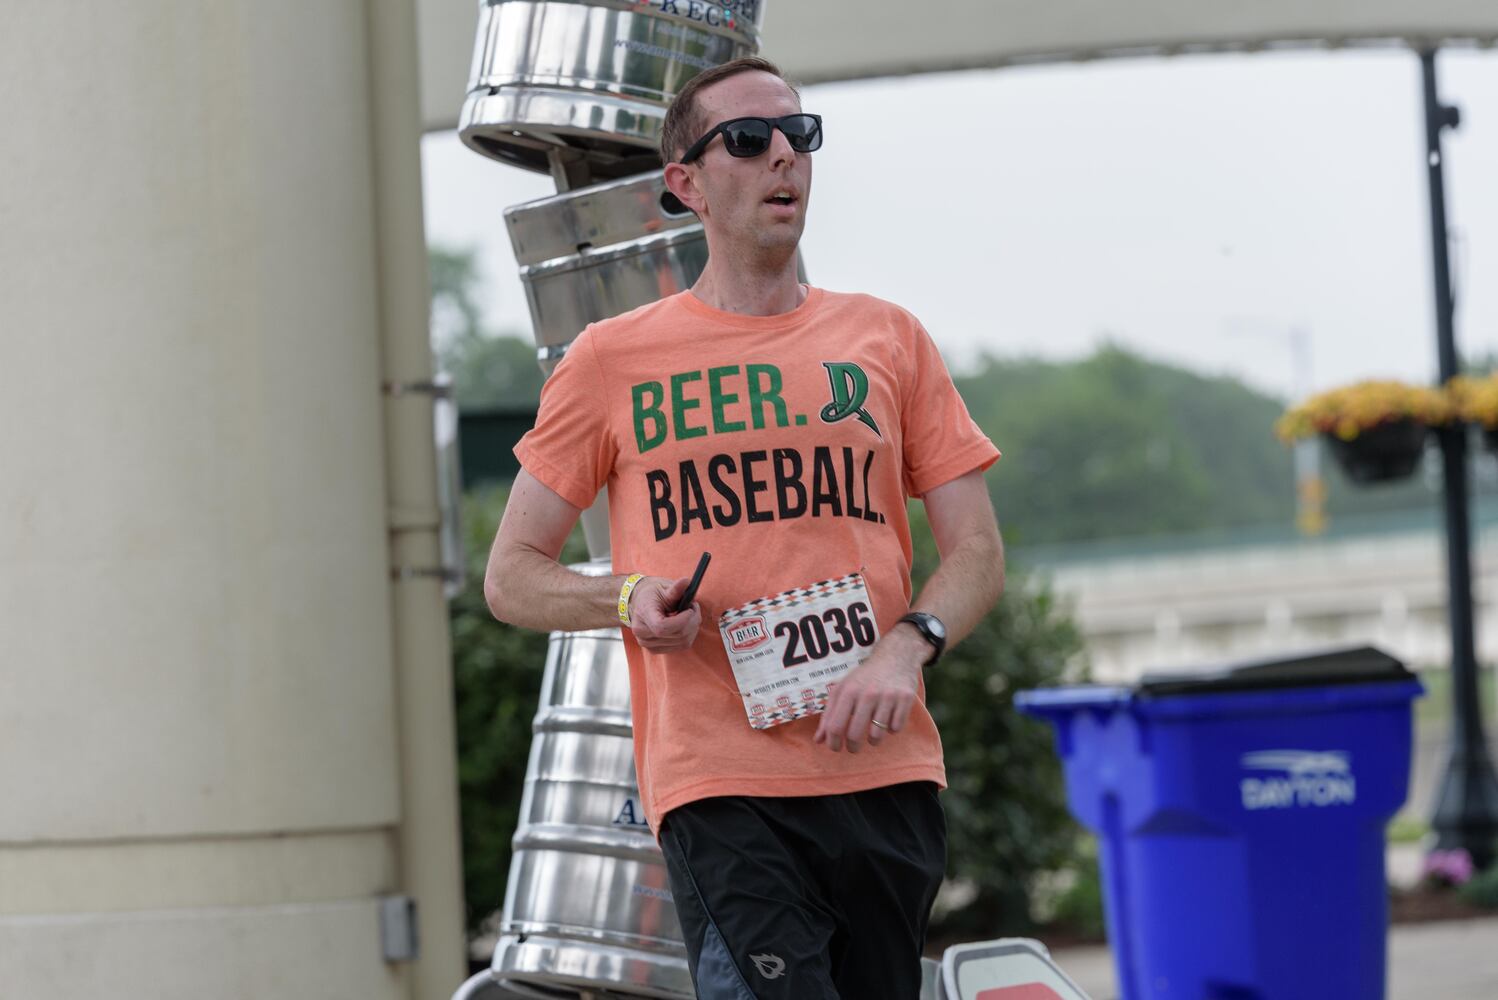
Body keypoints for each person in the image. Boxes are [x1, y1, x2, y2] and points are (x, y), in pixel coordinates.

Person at [484, 56, 1004, 1000]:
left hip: (884, 773)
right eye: (750, 140)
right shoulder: (612, 361)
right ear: (684, 182)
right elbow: (511, 576)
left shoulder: (890, 338)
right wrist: (630, 598)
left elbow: (975, 551)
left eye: (800, 136)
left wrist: (906, 646)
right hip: (721, 786)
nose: (784, 160)